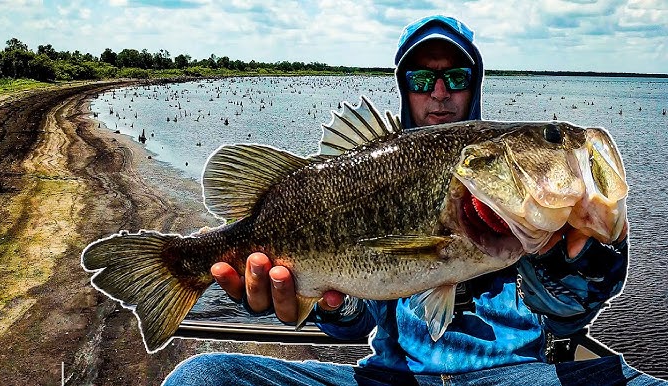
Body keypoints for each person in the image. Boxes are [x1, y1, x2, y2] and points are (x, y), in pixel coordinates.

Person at [163, 15, 665, 385]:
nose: (440, 93)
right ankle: (172, 268)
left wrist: (573, 258)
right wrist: (326, 304)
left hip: (515, 375)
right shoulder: (376, 168)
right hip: (391, 377)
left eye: (457, 78)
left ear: (476, 89)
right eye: (423, 80)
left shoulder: (535, 218)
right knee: (201, 377)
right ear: (406, 90)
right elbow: (357, 320)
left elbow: (566, 316)